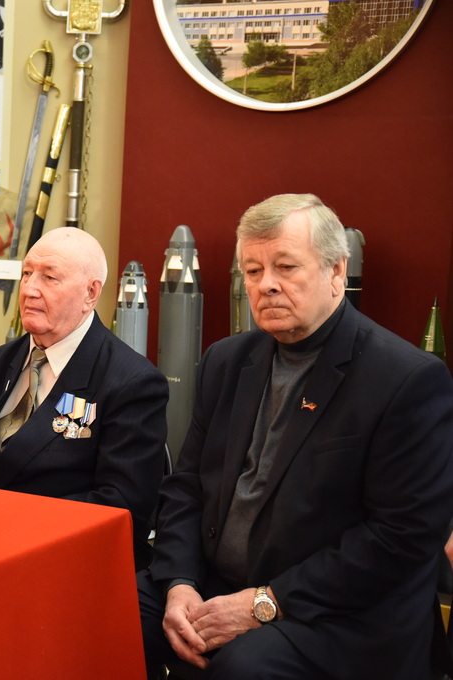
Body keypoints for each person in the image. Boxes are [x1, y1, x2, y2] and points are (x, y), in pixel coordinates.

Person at [138, 194, 453, 679]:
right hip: (217, 584)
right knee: (99, 607)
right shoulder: (226, 361)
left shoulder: (406, 379)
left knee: (243, 668)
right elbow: (186, 487)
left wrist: (265, 603)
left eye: (285, 267)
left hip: (336, 611)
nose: (266, 284)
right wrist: (179, 583)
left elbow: (399, 538)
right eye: (253, 270)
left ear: (336, 271)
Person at [0, 227, 169, 569]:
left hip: (65, 560)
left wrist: (8, 531)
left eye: (49, 277)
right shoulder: (0, 361)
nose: (29, 289)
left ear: (90, 294)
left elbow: (120, 506)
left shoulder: (131, 381)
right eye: (27, 274)